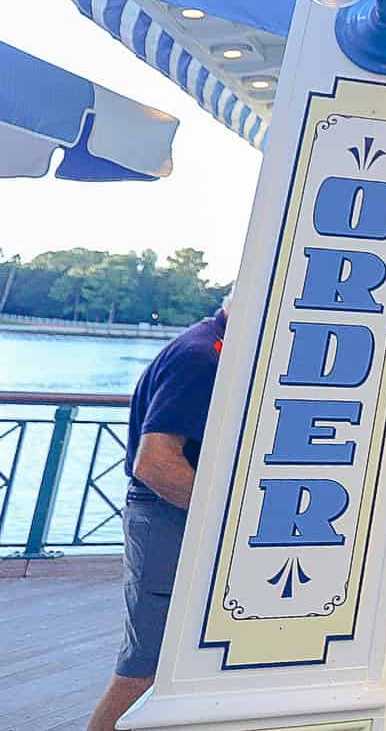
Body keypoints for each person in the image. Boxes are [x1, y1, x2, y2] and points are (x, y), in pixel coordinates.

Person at [87, 295, 229, 731]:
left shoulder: (213, 347)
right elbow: (153, 463)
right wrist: (228, 519)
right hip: (166, 517)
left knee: (178, 660)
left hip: (177, 515)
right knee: (146, 665)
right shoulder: (201, 357)